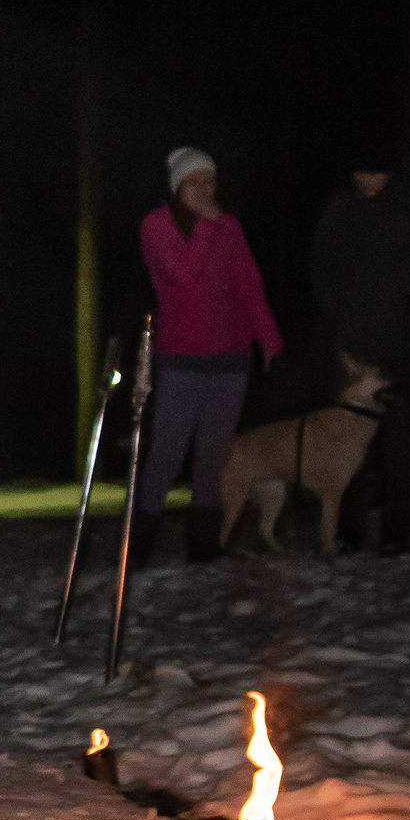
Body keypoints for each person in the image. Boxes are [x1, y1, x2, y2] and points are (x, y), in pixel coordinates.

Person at [133, 147, 283, 565]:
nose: (203, 190)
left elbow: (249, 287)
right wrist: (203, 229)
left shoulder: (229, 228)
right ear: (178, 186)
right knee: (167, 451)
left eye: (210, 182)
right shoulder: (157, 226)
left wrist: (268, 339)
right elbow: (181, 275)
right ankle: (138, 548)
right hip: (182, 358)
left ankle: (203, 549)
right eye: (194, 182)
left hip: (231, 358)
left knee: (214, 456)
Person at [308, 161, 410, 552]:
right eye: (359, 170)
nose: (366, 178)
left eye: (375, 170)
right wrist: (336, 322)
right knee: (348, 439)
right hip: (352, 346)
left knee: (400, 440)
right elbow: (321, 268)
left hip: (401, 346)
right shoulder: (339, 209)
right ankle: (348, 531)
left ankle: (396, 532)